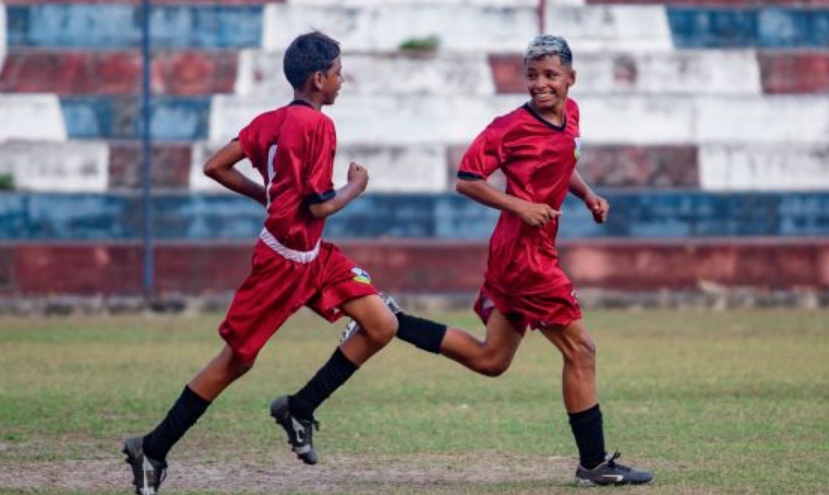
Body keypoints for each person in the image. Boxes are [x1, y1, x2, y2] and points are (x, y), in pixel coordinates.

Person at [342, 34, 653, 487]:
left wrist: (587, 194)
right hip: (524, 256)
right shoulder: (508, 127)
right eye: (532, 75)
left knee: (492, 359)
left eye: (550, 75)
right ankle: (593, 463)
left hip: (520, 253)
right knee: (581, 351)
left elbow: (565, 161)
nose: (540, 84)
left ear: (571, 78)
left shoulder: (572, 116)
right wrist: (520, 206)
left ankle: (389, 319)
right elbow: (467, 180)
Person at [122, 31, 400, 495]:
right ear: (318, 79)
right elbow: (319, 206)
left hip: (312, 256)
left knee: (381, 324)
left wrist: (264, 193)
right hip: (283, 264)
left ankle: (299, 407)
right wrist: (356, 186)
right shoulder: (318, 127)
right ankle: (151, 448)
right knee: (235, 362)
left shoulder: (270, 120)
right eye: (337, 71)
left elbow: (215, 165)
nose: (341, 79)